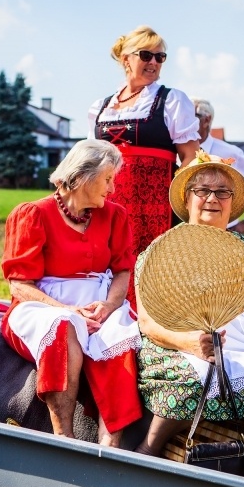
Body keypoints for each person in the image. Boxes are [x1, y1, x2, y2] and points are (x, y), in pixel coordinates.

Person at [133, 150, 244, 487]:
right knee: (191, 382)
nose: (212, 198)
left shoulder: (243, 248)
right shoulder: (160, 250)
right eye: (203, 190)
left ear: (231, 202)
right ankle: (146, 449)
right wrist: (190, 343)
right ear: (187, 198)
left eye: (222, 192)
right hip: (175, 340)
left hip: (238, 341)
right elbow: (147, 323)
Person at [1, 139, 141, 447]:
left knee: (118, 340)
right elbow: (19, 284)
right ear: (81, 177)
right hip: (41, 306)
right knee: (62, 328)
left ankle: (110, 447)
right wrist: (65, 309)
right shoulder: (33, 214)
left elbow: (122, 271)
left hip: (98, 305)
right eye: (107, 179)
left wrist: (109, 305)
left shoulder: (115, 216)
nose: (113, 188)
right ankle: (65, 438)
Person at [88, 25, 200, 306]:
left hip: (154, 207)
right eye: (146, 55)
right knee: (105, 261)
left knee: (149, 271)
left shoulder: (171, 100)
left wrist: (176, 199)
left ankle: (147, 325)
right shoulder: (100, 107)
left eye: (160, 57)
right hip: (106, 203)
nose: (154, 62)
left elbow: (190, 156)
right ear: (126, 59)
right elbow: (90, 159)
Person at [193, 98, 244, 234]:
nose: (183, 122)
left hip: (224, 234)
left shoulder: (229, 153)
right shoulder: (175, 151)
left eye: (190, 116)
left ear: (206, 120)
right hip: (190, 233)